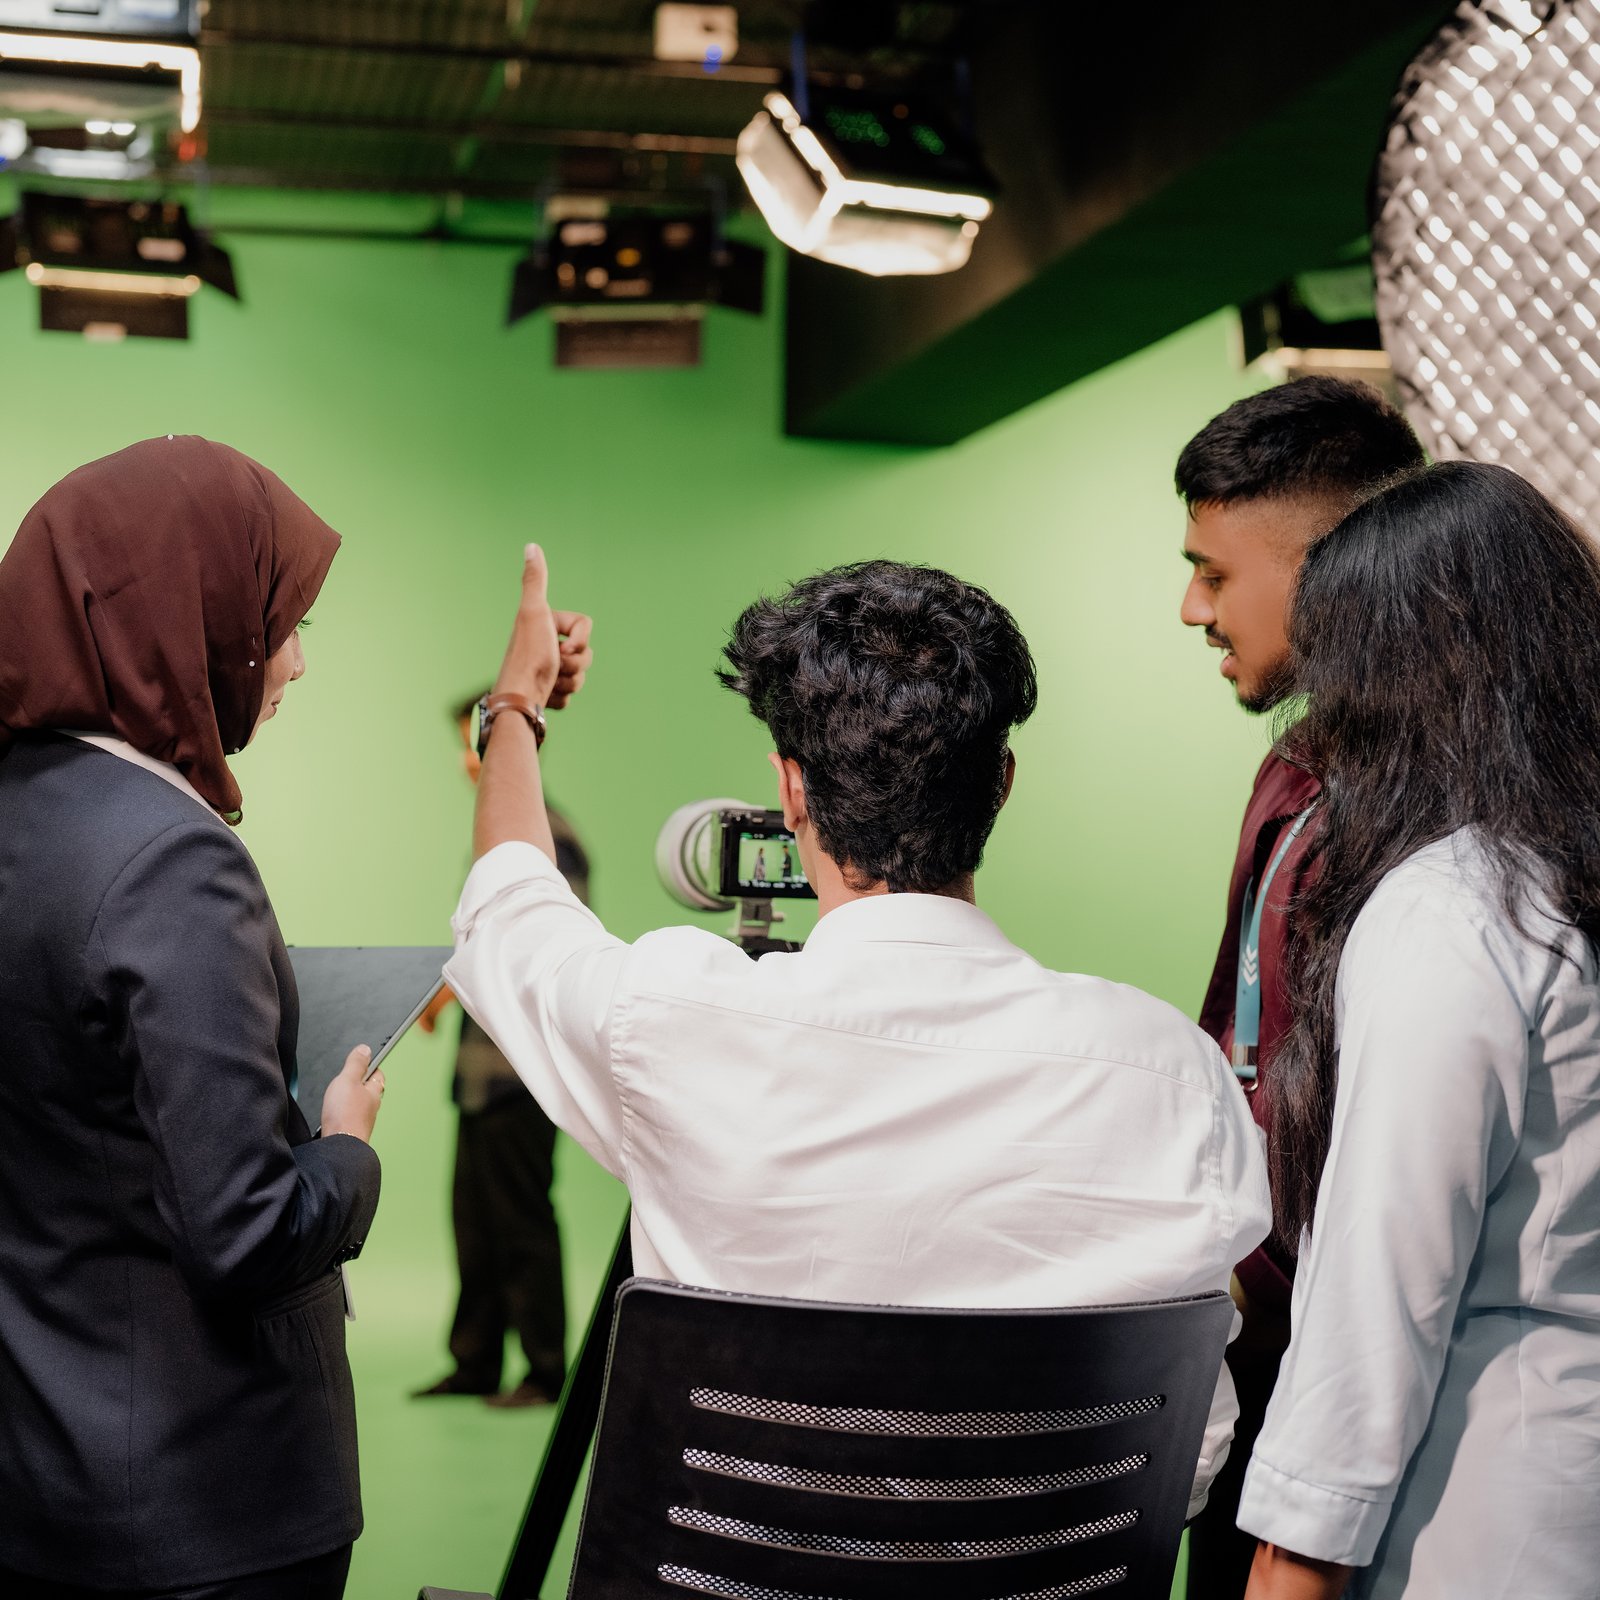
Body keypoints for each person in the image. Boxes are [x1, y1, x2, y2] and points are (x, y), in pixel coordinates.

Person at [446, 547, 1272, 1519]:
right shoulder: (1175, 1075)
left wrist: (515, 707)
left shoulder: (668, 1019)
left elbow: (509, 907)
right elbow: (1192, 1457)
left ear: (791, 791)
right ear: (1000, 783)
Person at [0, 438, 386, 1599]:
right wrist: (347, 1149)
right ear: (188, 613)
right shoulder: (172, 858)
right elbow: (245, 1232)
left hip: (41, 1478)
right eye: (280, 620)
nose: (297, 658)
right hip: (203, 1510)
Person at [1236, 461, 1600, 1598]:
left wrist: (1290, 1566)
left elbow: (1382, 1277)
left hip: (1486, 1511)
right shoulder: (1564, 882)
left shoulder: (1455, 905)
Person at [1174, 378, 1425, 1599]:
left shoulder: (1445, 820)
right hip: (1245, 1349)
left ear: (1330, 572)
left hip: (1366, 1369)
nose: (1190, 608)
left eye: (1213, 573)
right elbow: (1235, 1036)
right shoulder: (1292, 771)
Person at [411, 691, 591, 1408]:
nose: (469, 761)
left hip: (522, 1072)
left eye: (479, 744)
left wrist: (446, 989)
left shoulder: (551, 843)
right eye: (465, 745)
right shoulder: (502, 845)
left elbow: (533, 949)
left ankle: (545, 1370)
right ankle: (476, 1360)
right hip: (481, 1071)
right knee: (475, 1222)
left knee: (521, 1221)